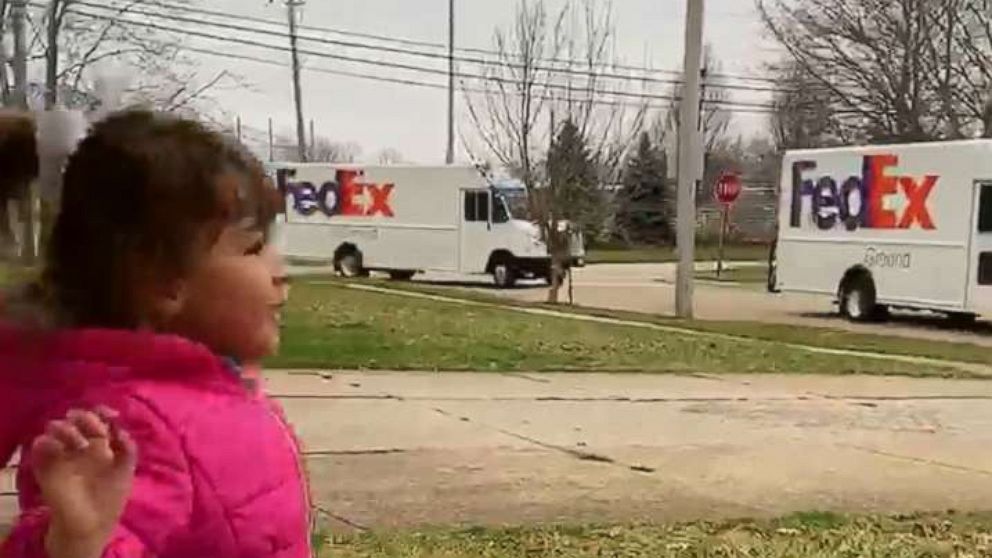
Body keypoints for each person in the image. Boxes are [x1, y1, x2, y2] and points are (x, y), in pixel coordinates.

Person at [0, 110, 309, 558]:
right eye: (255, 248)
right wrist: (77, 543)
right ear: (164, 280)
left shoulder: (205, 387)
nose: (281, 273)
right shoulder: (126, 428)